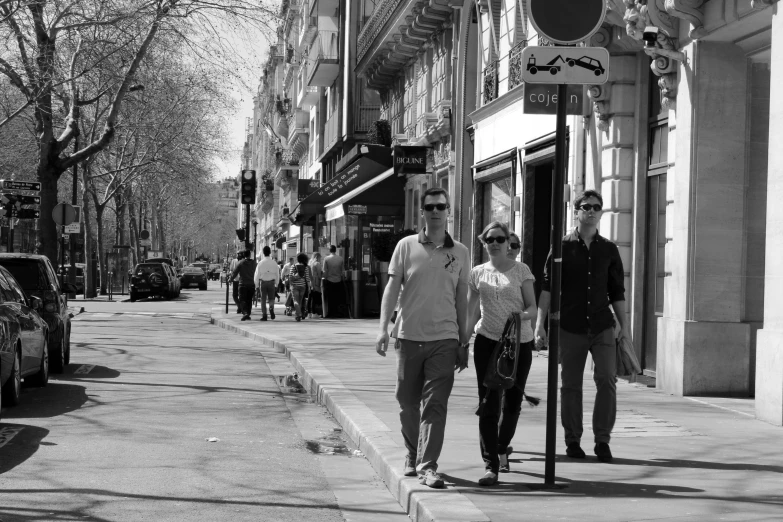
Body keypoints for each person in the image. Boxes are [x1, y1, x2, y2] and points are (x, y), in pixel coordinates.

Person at [375, 187, 471, 489]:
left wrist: (463, 341)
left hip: (444, 339)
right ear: (423, 211)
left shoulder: (461, 252)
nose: (435, 211)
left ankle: (428, 466)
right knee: (406, 403)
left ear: (448, 211)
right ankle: (412, 453)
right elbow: (391, 290)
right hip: (407, 336)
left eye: (441, 206)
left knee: (436, 405)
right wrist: (382, 329)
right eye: (430, 206)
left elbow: (462, 298)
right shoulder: (406, 246)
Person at [534, 189, 628, 463]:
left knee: (607, 381)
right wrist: (540, 325)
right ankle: (572, 440)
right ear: (576, 211)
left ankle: (602, 441)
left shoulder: (609, 249)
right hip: (570, 326)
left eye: (596, 207)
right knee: (571, 385)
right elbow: (548, 288)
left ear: (601, 213)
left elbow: (617, 292)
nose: (591, 210)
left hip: (602, 326)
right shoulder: (561, 246)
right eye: (585, 206)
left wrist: (625, 328)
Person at [465, 221, 537, 486]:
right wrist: (462, 342)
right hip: (486, 342)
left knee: (513, 402)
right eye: (489, 239)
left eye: (499, 238)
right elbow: (472, 312)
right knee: (488, 403)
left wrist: (520, 316)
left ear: (509, 243)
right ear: (484, 243)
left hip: (519, 344)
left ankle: (502, 445)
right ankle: (491, 465)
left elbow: (533, 308)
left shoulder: (521, 270)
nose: (494, 243)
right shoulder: (477, 273)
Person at [254, 246, 280, 321]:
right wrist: (277, 284)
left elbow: (257, 275)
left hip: (263, 282)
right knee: (271, 298)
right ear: (270, 252)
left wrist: (256, 285)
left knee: (263, 299)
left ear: (263, 253)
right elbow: (277, 274)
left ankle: (264, 315)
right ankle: (271, 307)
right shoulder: (274, 263)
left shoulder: (260, 263)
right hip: (271, 282)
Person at [230, 249, 257, 321]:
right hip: (251, 284)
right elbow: (257, 273)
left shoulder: (240, 263)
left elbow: (235, 272)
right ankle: (248, 313)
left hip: (242, 284)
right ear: (250, 255)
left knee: (242, 299)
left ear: (243, 255)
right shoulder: (254, 263)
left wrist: (230, 279)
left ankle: (245, 313)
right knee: (249, 299)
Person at [287, 253, 312, 321]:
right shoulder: (306, 267)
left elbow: (290, 277)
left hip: (294, 286)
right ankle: (297, 315)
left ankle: (299, 314)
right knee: (300, 301)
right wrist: (309, 287)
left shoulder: (293, 266)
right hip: (302, 286)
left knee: (295, 301)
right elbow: (307, 278)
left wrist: (290, 285)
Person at [322, 245, 345, 318]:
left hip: (329, 280)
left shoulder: (326, 259)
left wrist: (324, 278)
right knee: (337, 297)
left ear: (329, 250)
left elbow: (325, 271)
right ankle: (337, 312)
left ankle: (330, 312)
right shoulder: (340, 259)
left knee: (330, 297)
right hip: (338, 280)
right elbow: (343, 271)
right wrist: (343, 279)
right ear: (336, 250)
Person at [308, 252, 323, 318]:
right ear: (318, 257)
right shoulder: (317, 264)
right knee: (316, 298)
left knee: (310, 298)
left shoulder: (310, 263)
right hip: (316, 282)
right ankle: (315, 312)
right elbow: (319, 275)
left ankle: (309, 313)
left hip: (310, 282)